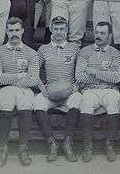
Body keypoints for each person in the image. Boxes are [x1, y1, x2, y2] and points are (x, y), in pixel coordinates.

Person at [0, 17, 42, 167]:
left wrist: (14, 80)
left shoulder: (31, 53)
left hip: (25, 89)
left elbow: (34, 80)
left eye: (17, 30)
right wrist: (21, 75)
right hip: (5, 89)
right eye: (11, 30)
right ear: (6, 31)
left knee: (25, 103)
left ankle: (23, 147)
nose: (14, 33)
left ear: (22, 31)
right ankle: (3, 148)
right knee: (6, 103)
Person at [34, 16, 81, 162]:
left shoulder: (74, 48)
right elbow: (33, 71)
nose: (59, 32)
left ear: (66, 30)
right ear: (51, 30)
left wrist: (76, 86)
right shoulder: (43, 49)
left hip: (69, 90)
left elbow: (81, 71)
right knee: (37, 102)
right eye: (56, 29)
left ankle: (68, 142)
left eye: (62, 29)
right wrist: (41, 86)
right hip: (51, 91)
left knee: (78, 99)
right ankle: (51, 142)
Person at [76, 22, 120, 162]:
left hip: (110, 90)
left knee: (114, 102)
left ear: (110, 36)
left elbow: (116, 78)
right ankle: (87, 146)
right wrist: (104, 76)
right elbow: (79, 76)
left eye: (102, 33)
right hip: (90, 90)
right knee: (86, 102)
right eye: (97, 32)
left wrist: (94, 71)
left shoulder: (115, 53)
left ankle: (109, 145)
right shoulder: (85, 51)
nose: (98, 36)